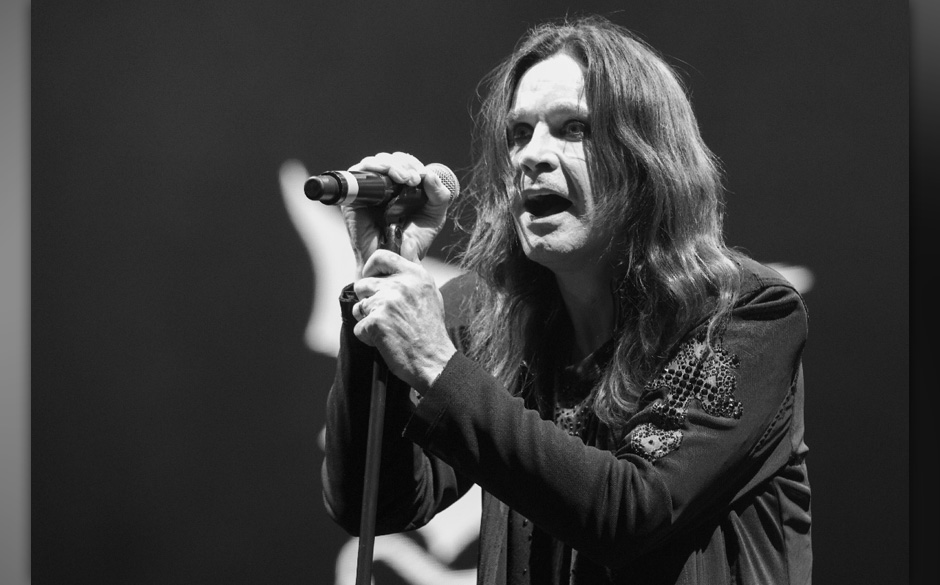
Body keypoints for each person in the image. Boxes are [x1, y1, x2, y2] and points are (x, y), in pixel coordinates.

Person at [321, 15, 812, 585]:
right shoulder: (489, 313)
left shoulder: (744, 313)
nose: (531, 155)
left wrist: (435, 363)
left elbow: (631, 512)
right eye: (518, 133)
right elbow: (378, 503)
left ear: (646, 155)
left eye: (573, 128)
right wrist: (378, 285)